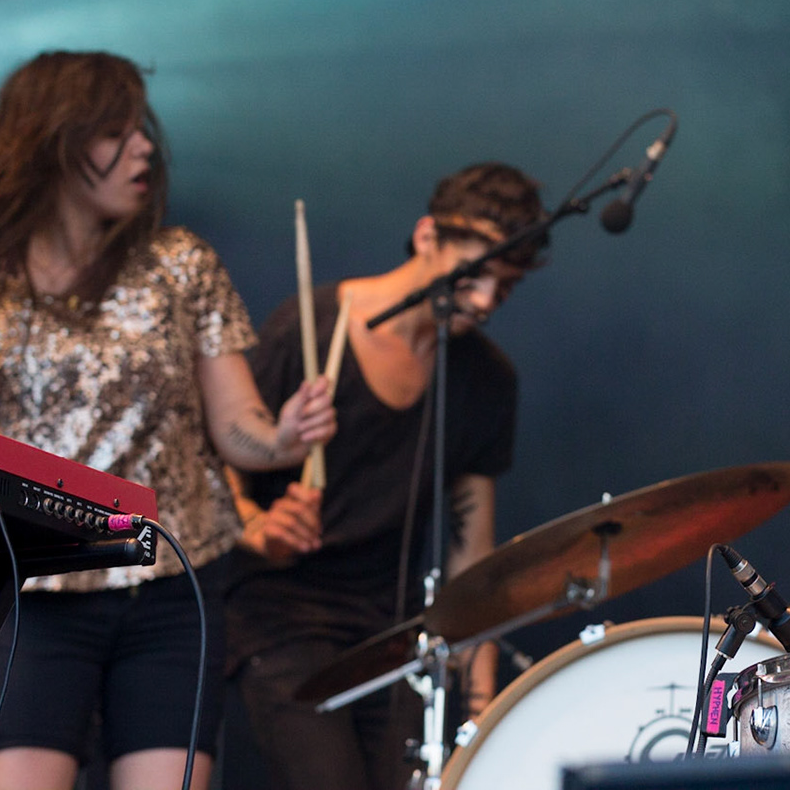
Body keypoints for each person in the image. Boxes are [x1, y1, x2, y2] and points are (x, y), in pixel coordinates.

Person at [0, 50, 334, 790]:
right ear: (54, 142)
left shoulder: (181, 264)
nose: (145, 146)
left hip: (170, 586)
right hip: (27, 594)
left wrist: (283, 436)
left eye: (142, 129)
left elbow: (238, 429)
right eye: (116, 131)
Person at [224, 162, 548, 790]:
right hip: (284, 614)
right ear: (427, 235)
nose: (484, 302)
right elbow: (219, 463)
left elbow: (469, 556)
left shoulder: (486, 380)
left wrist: (478, 712)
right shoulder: (312, 326)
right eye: (474, 274)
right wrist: (257, 525)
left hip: (394, 631)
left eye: (503, 288)